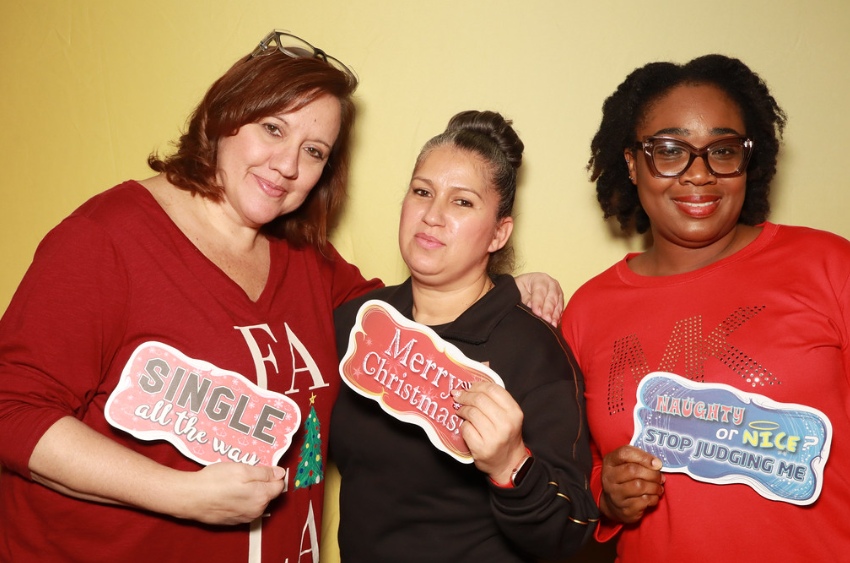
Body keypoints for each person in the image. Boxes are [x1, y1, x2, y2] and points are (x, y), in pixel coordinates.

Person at [0, 31, 562, 562]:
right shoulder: (106, 240)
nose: (288, 165)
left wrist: (513, 285)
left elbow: (421, 306)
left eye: (314, 150)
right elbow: (12, 411)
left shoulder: (307, 262)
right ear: (224, 116)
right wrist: (179, 494)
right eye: (273, 128)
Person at [561, 54, 850, 561]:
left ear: (748, 158)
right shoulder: (587, 310)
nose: (699, 174)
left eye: (722, 149)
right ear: (632, 162)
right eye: (670, 151)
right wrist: (606, 495)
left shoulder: (828, 264)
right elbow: (568, 475)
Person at [330, 110, 599, 562]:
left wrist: (511, 464)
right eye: (422, 192)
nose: (433, 215)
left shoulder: (534, 351)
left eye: (462, 202)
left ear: (499, 233)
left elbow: (573, 532)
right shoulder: (357, 322)